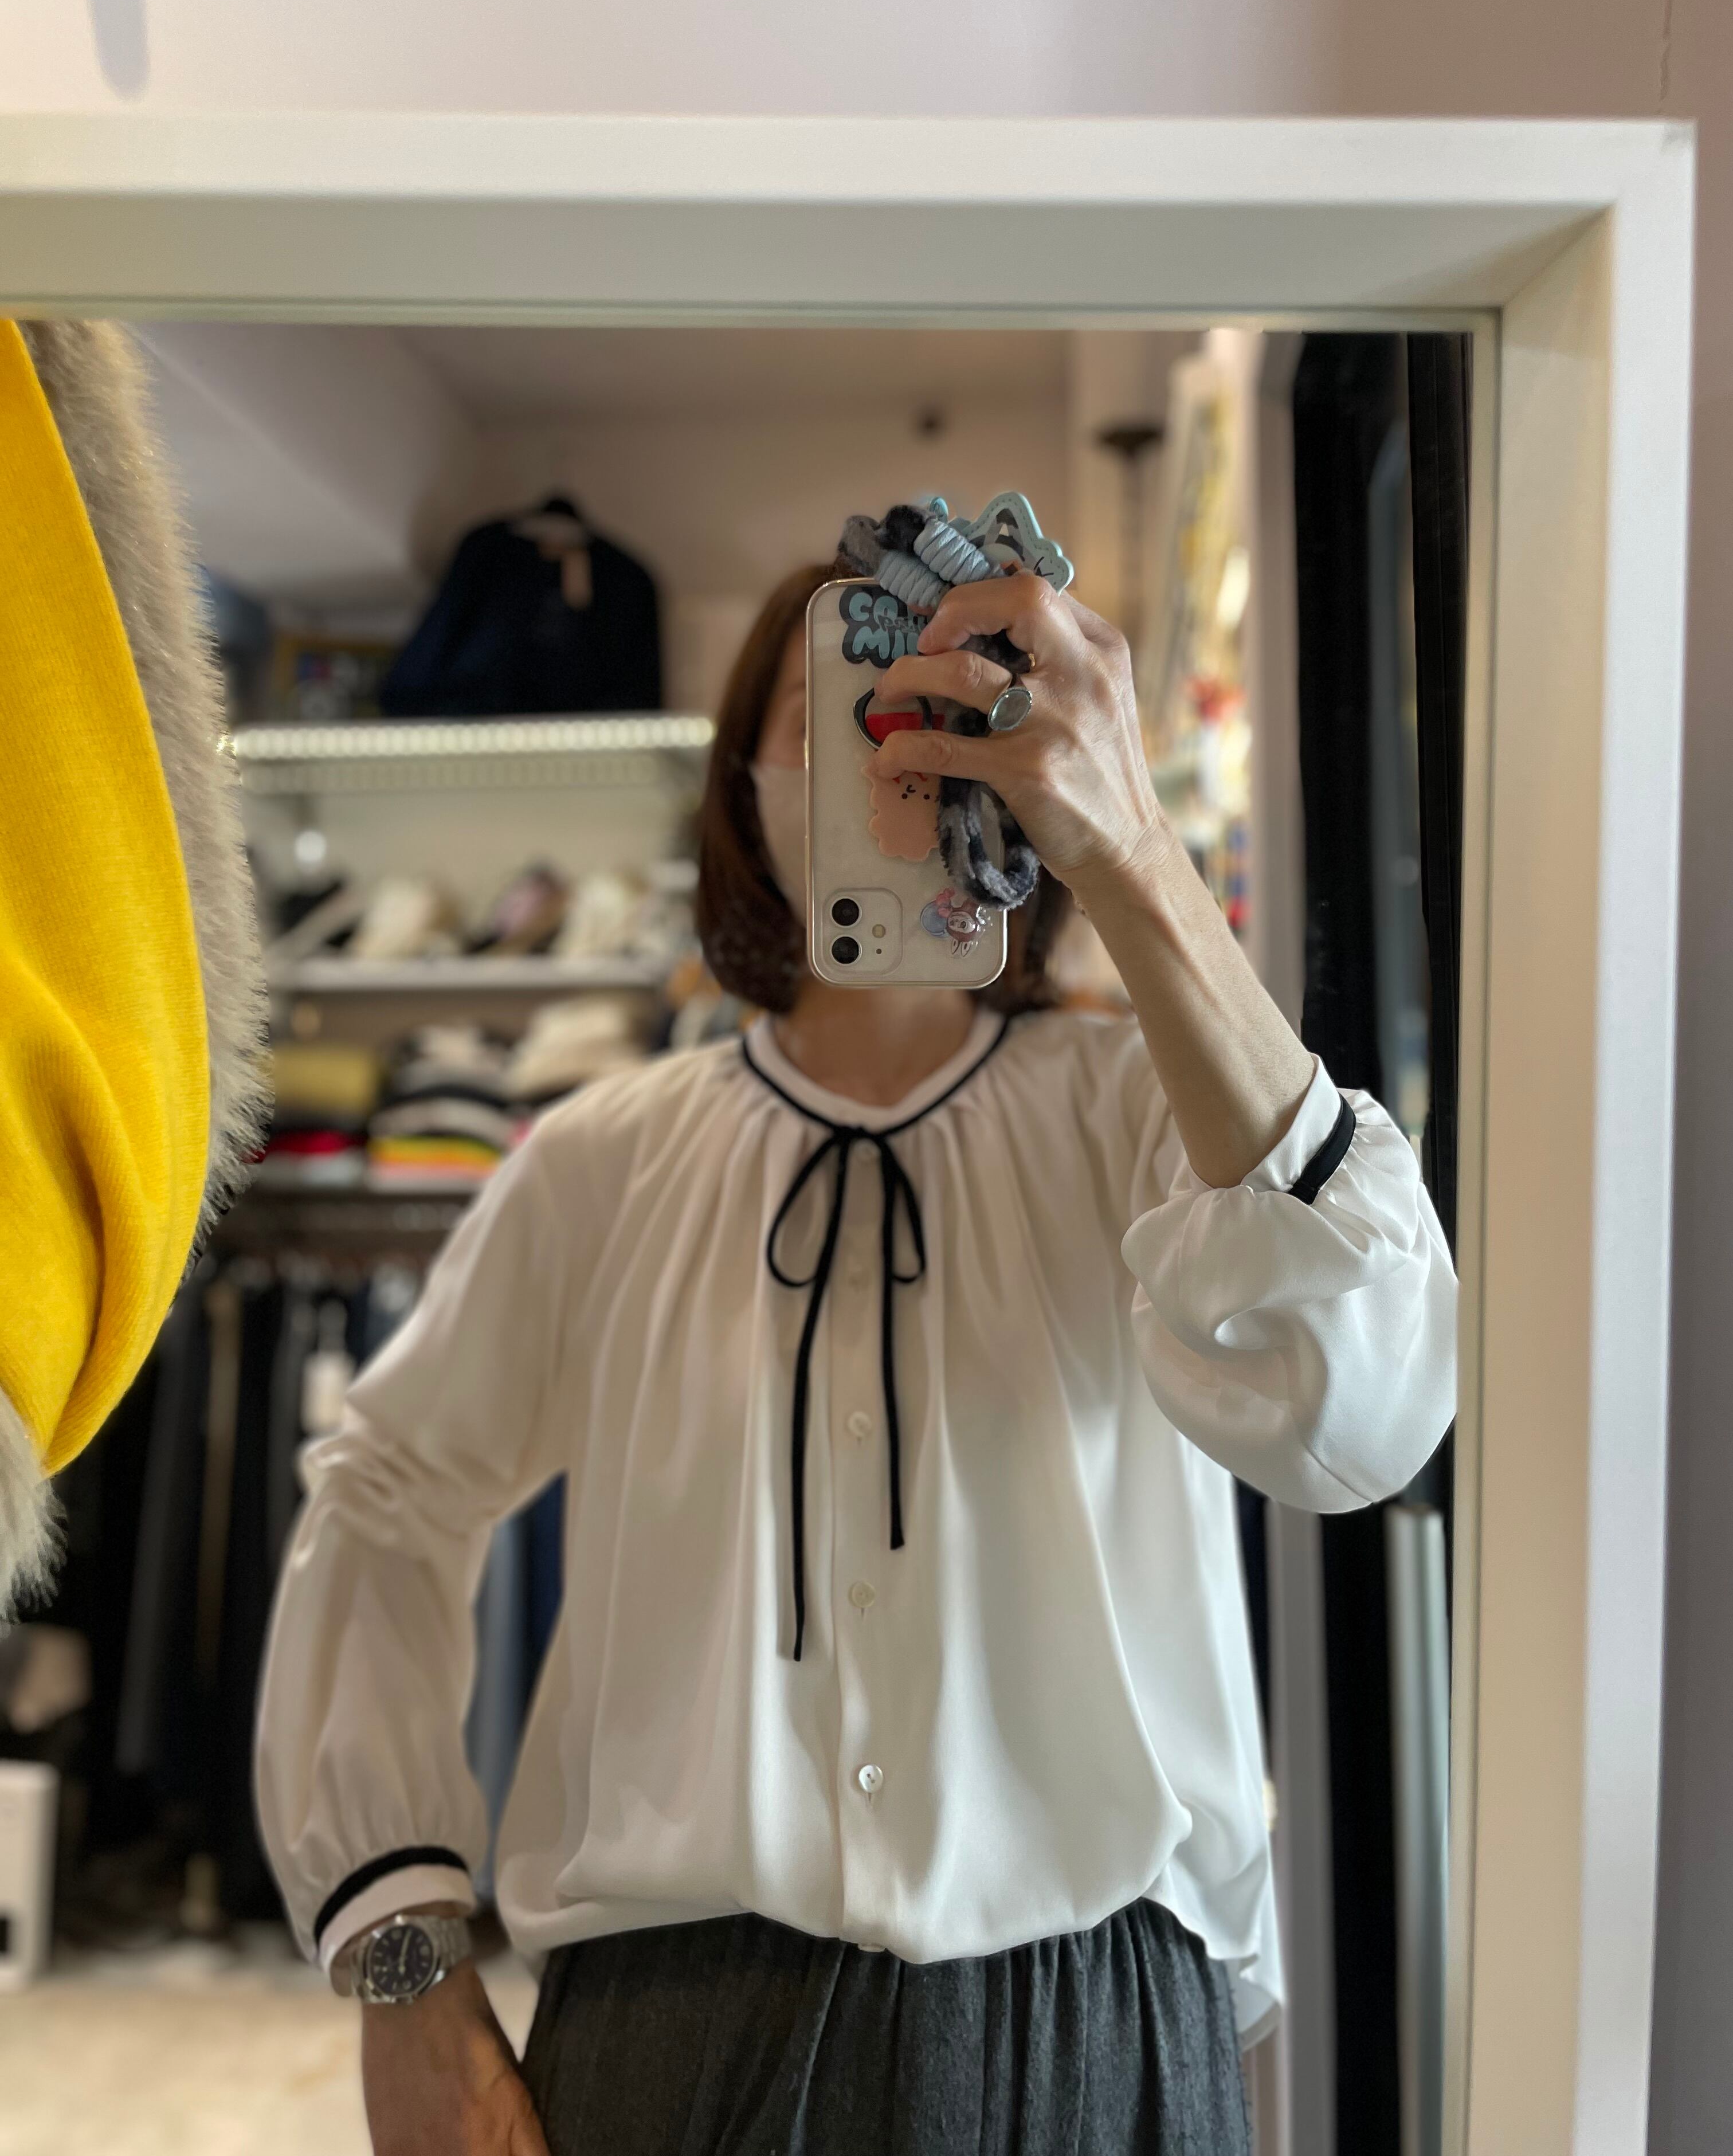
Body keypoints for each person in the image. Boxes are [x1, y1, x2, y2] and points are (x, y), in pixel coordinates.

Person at [257, 558, 1456, 2155]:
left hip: (1092, 2032)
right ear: (743, 782)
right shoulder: (604, 1160)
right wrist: (401, 1964)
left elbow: (1367, 1407)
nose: (895, 749)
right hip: (671, 2034)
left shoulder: (1144, 1119)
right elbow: (385, 1487)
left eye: (943, 709)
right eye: (840, 705)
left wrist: (1130, 849)